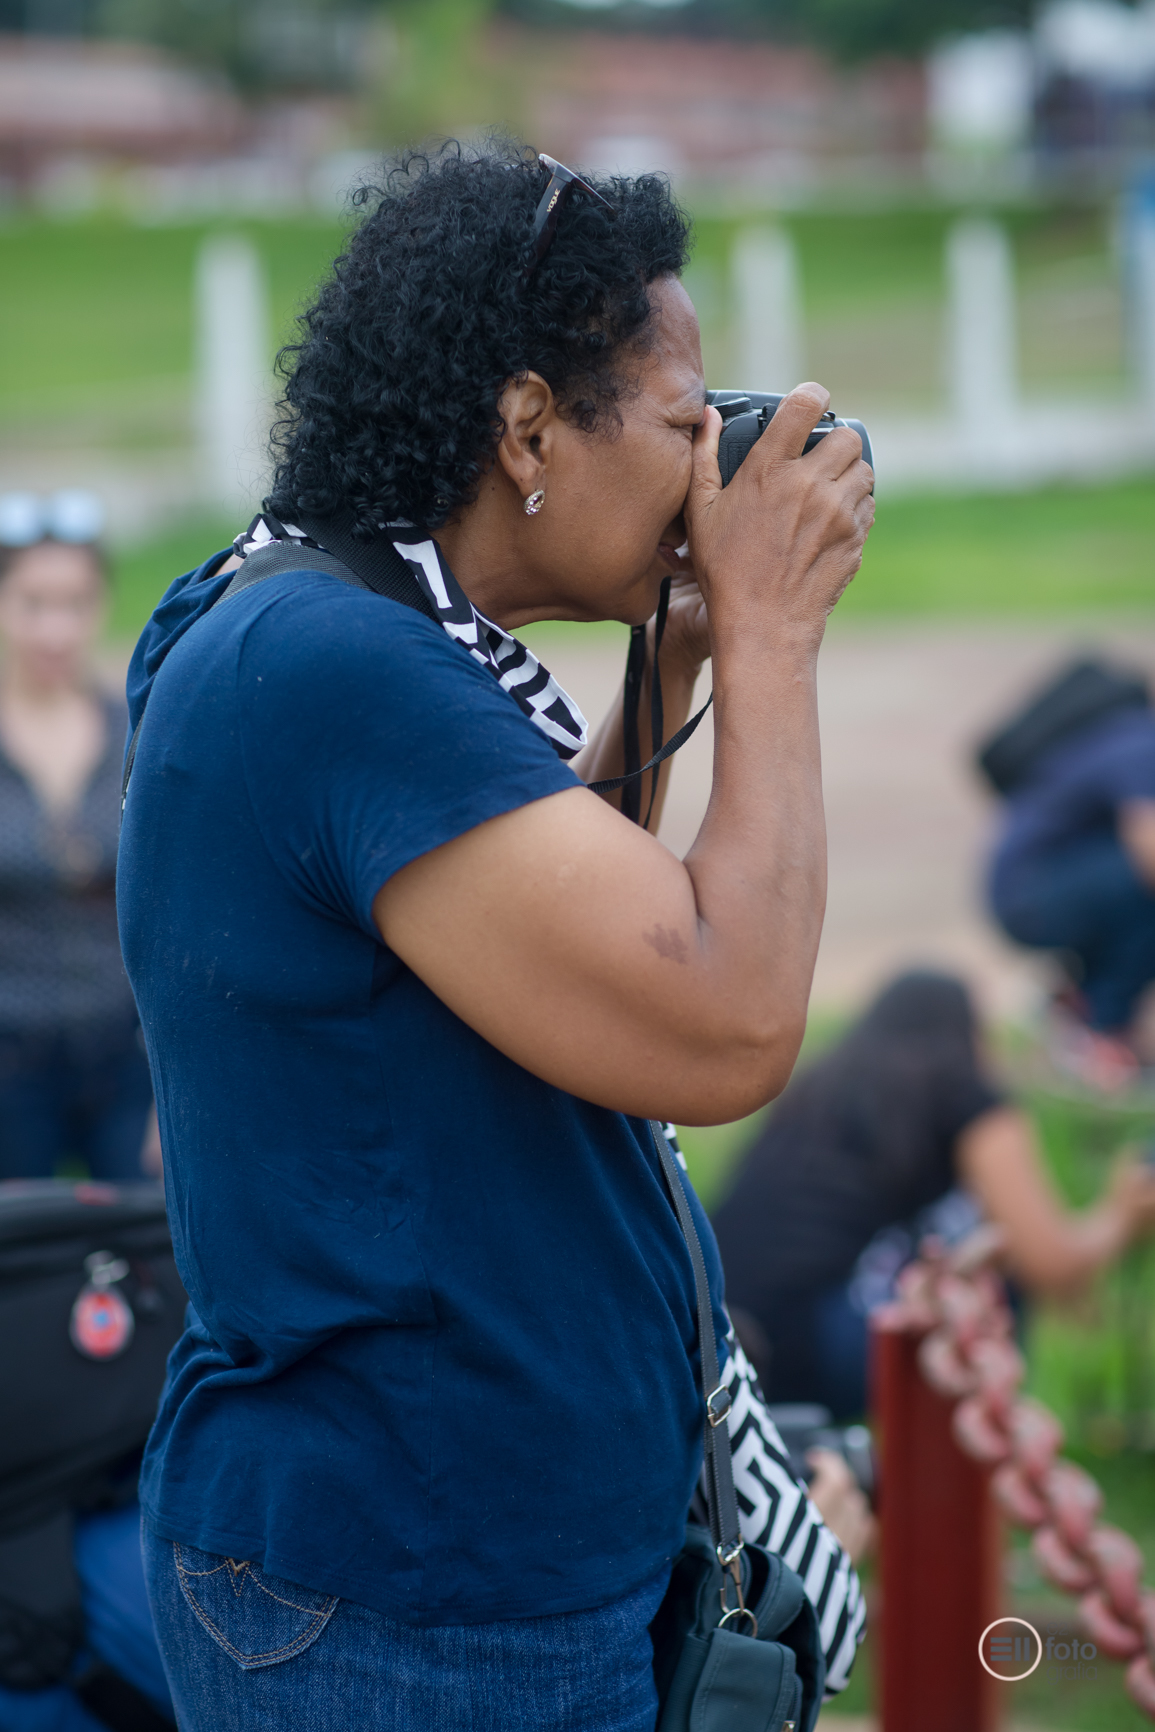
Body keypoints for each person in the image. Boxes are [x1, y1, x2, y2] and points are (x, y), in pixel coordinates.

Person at [117, 142, 875, 1731]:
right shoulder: (336, 672)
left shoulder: (307, 620)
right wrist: (771, 635)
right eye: (681, 422)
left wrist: (667, 671)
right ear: (529, 426)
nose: (703, 466)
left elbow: (514, 939)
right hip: (414, 1602)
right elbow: (724, 1023)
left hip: (434, 1562)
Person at [711, 971, 1155, 1422]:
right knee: (993, 1270)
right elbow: (1049, 1264)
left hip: (720, 1336)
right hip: (811, 1347)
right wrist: (1121, 1213)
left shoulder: (824, 1088)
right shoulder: (961, 1089)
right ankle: (965, 1456)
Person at [0, 490, 153, 1183]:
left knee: (150, 1261)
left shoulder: (137, 732)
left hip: (128, 1064)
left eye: (76, 603)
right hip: (11, 1066)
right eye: (33, 603)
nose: (55, 630)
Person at [986, 689, 1155, 1092]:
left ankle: (1081, 1012)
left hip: (1045, 888)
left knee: (1133, 903)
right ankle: (1102, 1032)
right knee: (1142, 889)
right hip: (1028, 894)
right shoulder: (1138, 741)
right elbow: (1146, 845)